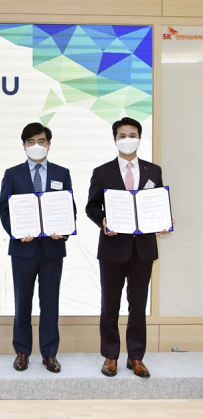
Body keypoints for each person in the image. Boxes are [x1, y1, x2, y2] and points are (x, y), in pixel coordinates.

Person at [86, 117, 171, 378]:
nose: (127, 139)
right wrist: (103, 221)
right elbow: (92, 206)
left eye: (132, 134)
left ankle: (136, 357)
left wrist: (163, 221)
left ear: (140, 138)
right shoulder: (103, 171)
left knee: (138, 305)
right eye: (122, 135)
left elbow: (157, 202)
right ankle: (110, 355)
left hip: (143, 249)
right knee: (109, 305)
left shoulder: (152, 170)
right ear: (115, 140)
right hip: (113, 248)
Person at [0, 122, 75, 373]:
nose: (36, 146)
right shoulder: (12, 173)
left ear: (49, 144)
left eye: (41, 141)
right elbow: (4, 209)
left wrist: (62, 231)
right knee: (23, 303)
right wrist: (17, 233)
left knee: (50, 303)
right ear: (24, 146)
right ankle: (22, 351)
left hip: (52, 249)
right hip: (23, 250)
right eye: (31, 142)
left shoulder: (62, 173)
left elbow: (69, 208)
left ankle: (49, 353)